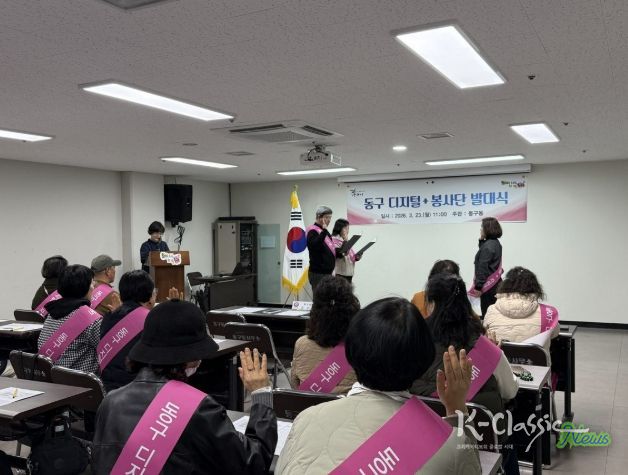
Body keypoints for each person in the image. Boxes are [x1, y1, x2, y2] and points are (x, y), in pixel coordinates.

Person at [276, 297, 480, 474]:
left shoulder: (306, 420)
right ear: (422, 359)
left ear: (352, 351)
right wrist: (456, 410)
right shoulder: (449, 444)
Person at [92, 300, 277, 474]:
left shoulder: (111, 401)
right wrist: (260, 393)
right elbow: (254, 462)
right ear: (190, 358)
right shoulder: (199, 409)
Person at [411, 273, 519, 474]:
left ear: (431, 303)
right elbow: (511, 391)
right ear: (465, 303)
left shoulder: (412, 343)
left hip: (426, 442)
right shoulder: (485, 348)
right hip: (481, 442)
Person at [290, 275, 360, 394]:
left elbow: (295, 386)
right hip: (348, 405)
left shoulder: (302, 344)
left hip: (308, 405)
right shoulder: (359, 347)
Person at [37, 264, 102, 374]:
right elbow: (107, 351)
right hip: (81, 382)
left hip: (51, 379)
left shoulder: (51, 313)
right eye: (92, 283)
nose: (94, 286)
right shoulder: (90, 319)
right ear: (84, 287)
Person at [99, 270, 155, 392]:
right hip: (136, 390)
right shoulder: (150, 320)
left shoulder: (108, 317)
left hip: (107, 388)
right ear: (150, 295)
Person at [484, 267, 560, 349]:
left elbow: (485, 334)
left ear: (505, 286)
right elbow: (554, 334)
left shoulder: (491, 310)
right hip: (534, 357)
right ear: (535, 287)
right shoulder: (548, 312)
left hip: (502, 357)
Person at [469, 217, 503, 317]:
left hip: (488, 287)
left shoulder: (488, 246)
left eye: (482, 227)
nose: (481, 229)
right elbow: (486, 255)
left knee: (488, 314)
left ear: (487, 229)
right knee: (494, 313)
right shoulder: (495, 243)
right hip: (496, 284)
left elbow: (482, 267)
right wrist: (481, 240)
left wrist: (478, 287)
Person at [306, 206, 335, 290]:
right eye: (326, 217)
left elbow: (329, 250)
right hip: (318, 273)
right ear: (319, 217)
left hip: (327, 273)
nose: (329, 220)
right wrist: (324, 231)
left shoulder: (324, 231)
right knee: (319, 297)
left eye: (330, 217)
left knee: (327, 297)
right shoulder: (312, 230)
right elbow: (315, 246)